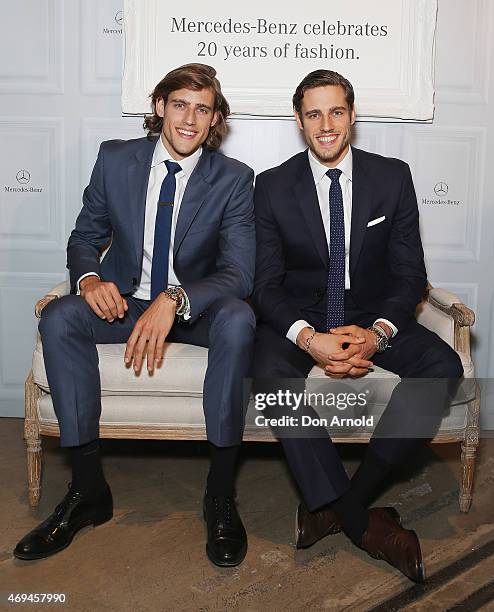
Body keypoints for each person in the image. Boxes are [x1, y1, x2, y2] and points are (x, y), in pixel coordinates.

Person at [14, 63, 256, 568]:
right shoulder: (116, 160)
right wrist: (90, 281)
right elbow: (85, 238)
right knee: (59, 317)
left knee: (238, 318)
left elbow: (238, 273)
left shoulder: (233, 179)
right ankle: (86, 491)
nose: (190, 119)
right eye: (180, 104)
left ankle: (219, 494)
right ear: (160, 107)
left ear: (215, 120)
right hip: (125, 301)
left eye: (203, 109)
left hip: (193, 308)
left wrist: (176, 299)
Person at [252, 69, 463, 582]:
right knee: (267, 373)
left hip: (372, 315)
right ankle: (364, 522)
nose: (326, 125)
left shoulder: (392, 176)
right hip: (305, 318)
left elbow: (410, 271)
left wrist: (378, 333)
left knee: (442, 364)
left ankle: (344, 504)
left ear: (352, 115)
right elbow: (264, 285)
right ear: (300, 122)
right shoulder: (272, 185)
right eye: (314, 114)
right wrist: (310, 338)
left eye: (337, 111)